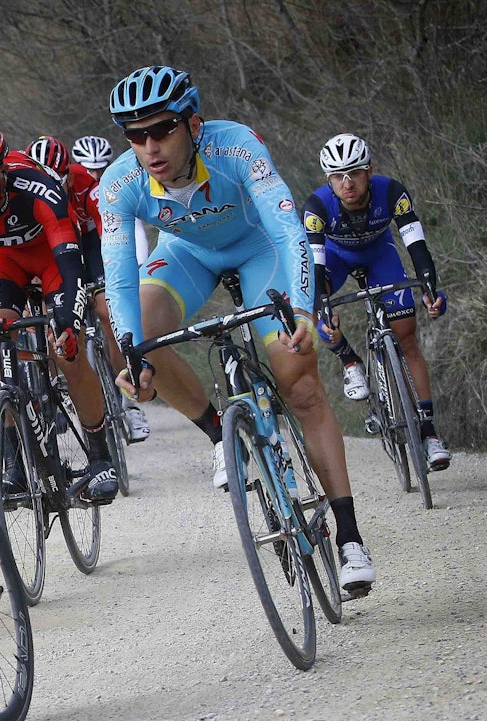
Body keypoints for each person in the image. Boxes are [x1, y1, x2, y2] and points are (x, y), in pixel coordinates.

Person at [100, 65, 377, 593]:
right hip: (187, 256)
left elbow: (286, 228)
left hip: (261, 251)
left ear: (193, 125)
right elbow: (119, 279)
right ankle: (219, 434)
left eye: (163, 130)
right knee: (135, 339)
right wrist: (133, 354)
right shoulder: (119, 184)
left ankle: (348, 535)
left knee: (297, 381)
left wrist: (300, 308)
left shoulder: (237, 146)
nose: (150, 146)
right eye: (136, 136)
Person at [0, 126, 120, 505]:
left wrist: (67, 317)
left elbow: (68, 259)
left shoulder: (36, 187)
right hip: (3, 265)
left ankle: (100, 457)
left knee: (68, 350)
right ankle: (15, 462)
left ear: (1, 171)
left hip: (52, 258)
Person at [305, 133, 451, 470]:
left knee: (407, 336)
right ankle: (350, 362)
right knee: (310, 306)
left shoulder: (391, 192)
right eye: (338, 176)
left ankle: (429, 434)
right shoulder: (316, 207)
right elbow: (316, 266)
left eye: (354, 172)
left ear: (369, 170)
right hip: (335, 259)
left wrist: (430, 288)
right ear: (328, 180)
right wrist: (324, 305)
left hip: (379, 256)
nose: (347, 183)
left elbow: (416, 245)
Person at [27, 135, 151, 443]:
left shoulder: (87, 183)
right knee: (54, 321)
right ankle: (58, 392)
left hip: (91, 243)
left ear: (69, 172)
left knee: (108, 313)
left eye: (59, 181)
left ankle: (130, 402)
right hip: (53, 251)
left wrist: (116, 273)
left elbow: (110, 227)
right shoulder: (25, 192)